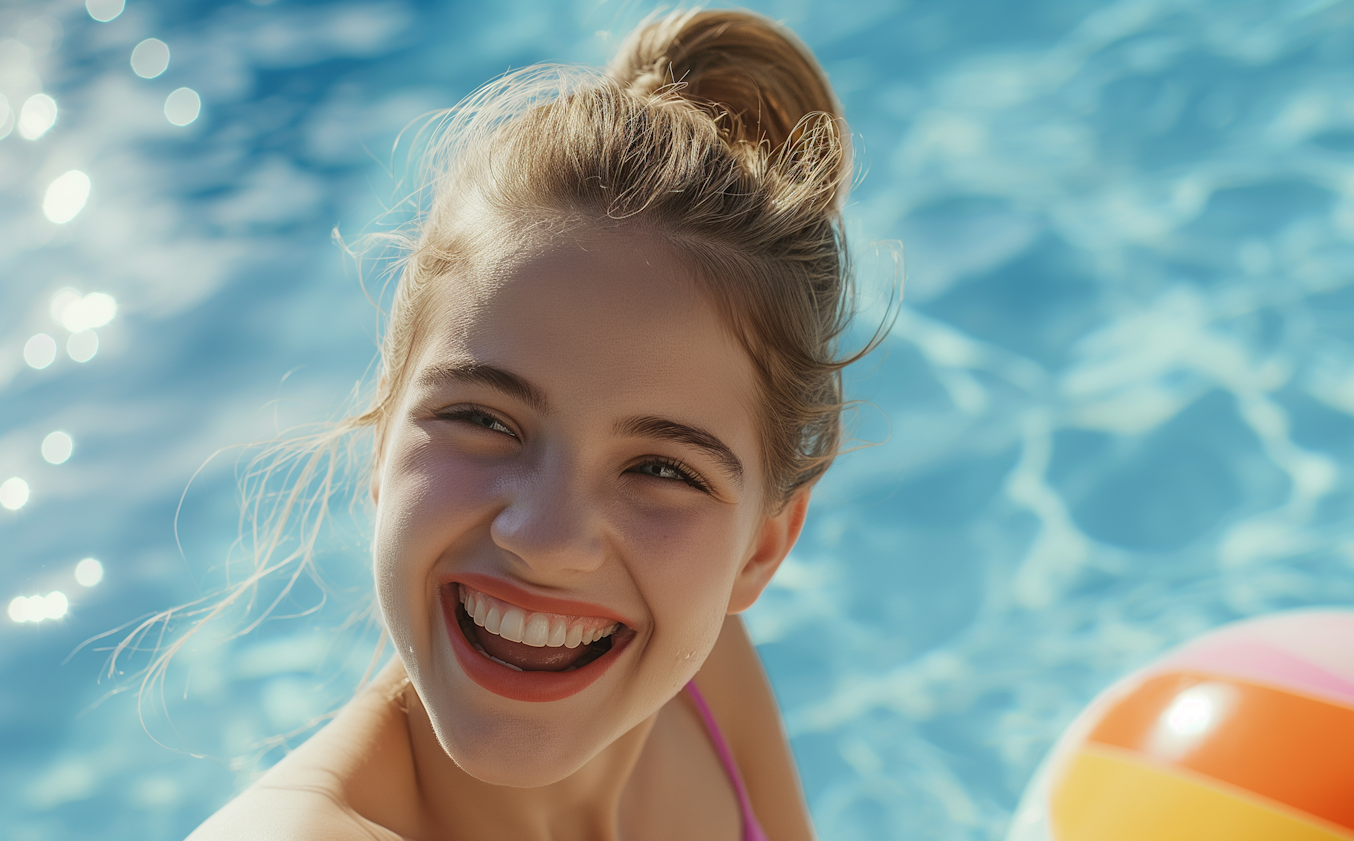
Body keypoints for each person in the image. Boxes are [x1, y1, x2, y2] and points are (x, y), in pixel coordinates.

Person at [184, 8, 884, 839]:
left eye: (662, 469)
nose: (548, 540)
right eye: (483, 418)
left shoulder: (700, 680)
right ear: (385, 437)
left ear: (760, 548)